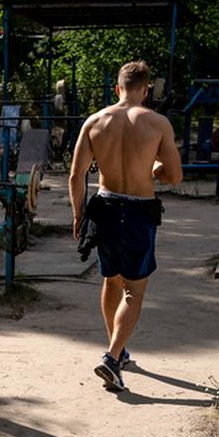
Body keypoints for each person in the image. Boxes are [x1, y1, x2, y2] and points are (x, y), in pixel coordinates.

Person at [68, 60, 183, 392]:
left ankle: (116, 349)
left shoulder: (94, 121)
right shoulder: (157, 123)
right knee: (134, 289)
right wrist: (152, 169)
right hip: (138, 213)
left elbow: (76, 176)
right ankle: (112, 356)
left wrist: (78, 215)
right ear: (146, 91)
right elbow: (174, 176)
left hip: (103, 208)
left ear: (117, 88)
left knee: (110, 280)